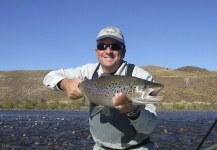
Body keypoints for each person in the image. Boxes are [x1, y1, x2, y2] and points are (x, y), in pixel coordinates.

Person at [43, 26, 157, 150]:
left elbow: (149, 127)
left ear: (123, 51)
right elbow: (49, 77)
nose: (108, 51)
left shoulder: (141, 77)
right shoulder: (87, 71)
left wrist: (133, 112)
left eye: (115, 46)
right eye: (102, 46)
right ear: (96, 51)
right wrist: (65, 83)